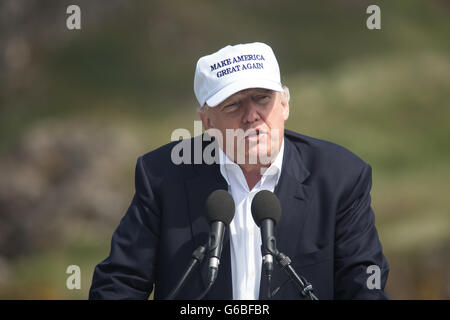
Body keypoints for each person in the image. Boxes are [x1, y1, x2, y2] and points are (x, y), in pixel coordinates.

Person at [89, 42, 389, 300]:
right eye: (233, 105)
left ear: (284, 104)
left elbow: (365, 287)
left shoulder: (340, 177)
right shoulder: (162, 176)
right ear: (207, 122)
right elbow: (119, 283)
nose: (251, 116)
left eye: (262, 98)